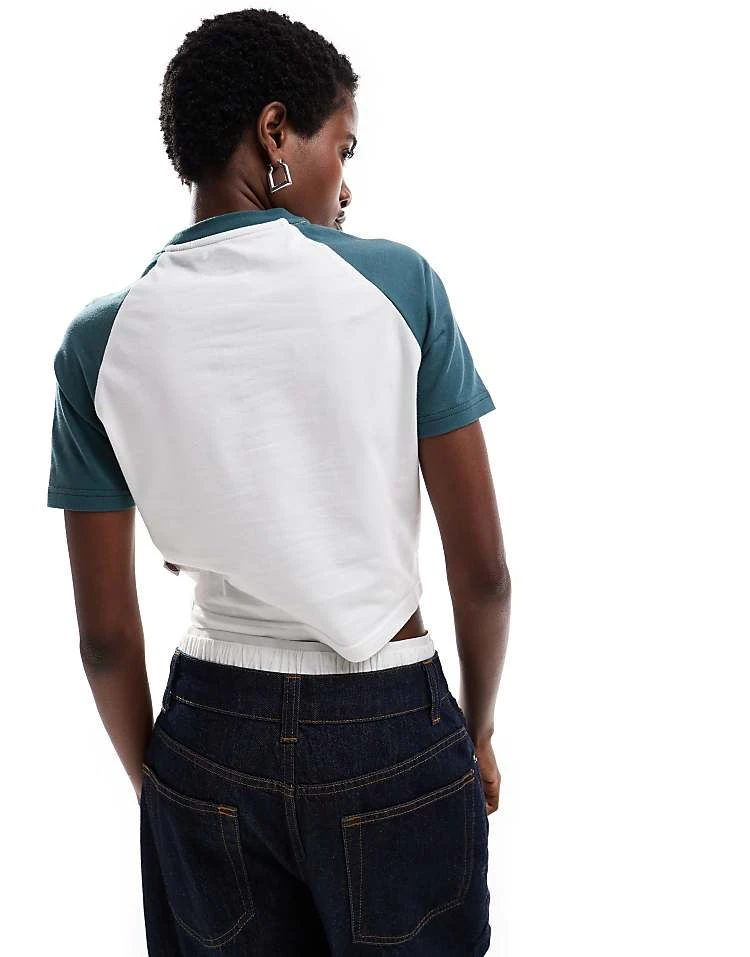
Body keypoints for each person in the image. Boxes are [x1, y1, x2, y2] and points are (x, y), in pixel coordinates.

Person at [46, 9, 511, 955]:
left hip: (207, 733)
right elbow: (485, 575)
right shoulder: (398, 286)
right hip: (390, 720)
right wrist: (478, 729)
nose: (348, 180)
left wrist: (165, 791)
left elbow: (104, 637)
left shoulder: (100, 341)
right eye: (343, 145)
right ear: (274, 134)